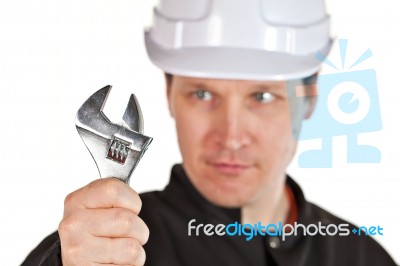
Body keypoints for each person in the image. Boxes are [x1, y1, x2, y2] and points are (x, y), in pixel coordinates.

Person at [22, 0, 397, 265]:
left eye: (262, 96)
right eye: (202, 94)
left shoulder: (362, 257)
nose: (231, 136)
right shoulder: (94, 248)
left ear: (308, 99)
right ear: (169, 95)